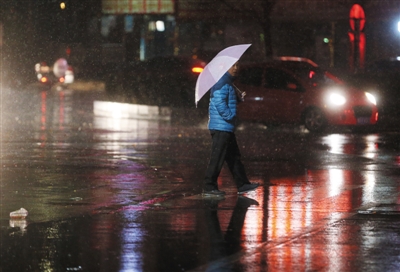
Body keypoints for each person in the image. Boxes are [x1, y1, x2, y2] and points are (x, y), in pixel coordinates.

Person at [202, 61, 259, 197]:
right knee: (218, 157)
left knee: (233, 157)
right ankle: (209, 186)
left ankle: (242, 184)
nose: (236, 68)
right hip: (221, 126)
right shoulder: (222, 82)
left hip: (226, 127)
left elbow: (226, 100)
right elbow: (218, 101)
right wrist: (230, 115)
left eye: (237, 65)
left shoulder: (227, 82)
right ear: (224, 67)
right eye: (232, 65)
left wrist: (238, 99)